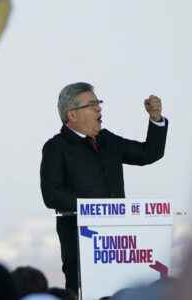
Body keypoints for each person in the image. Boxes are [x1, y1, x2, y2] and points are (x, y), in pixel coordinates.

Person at [40, 82, 169, 293]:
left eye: (98, 103)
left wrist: (155, 119)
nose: (99, 108)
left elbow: (148, 153)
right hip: (82, 245)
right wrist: (96, 209)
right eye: (92, 104)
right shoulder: (56, 147)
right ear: (72, 115)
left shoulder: (107, 140)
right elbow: (52, 195)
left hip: (117, 246)